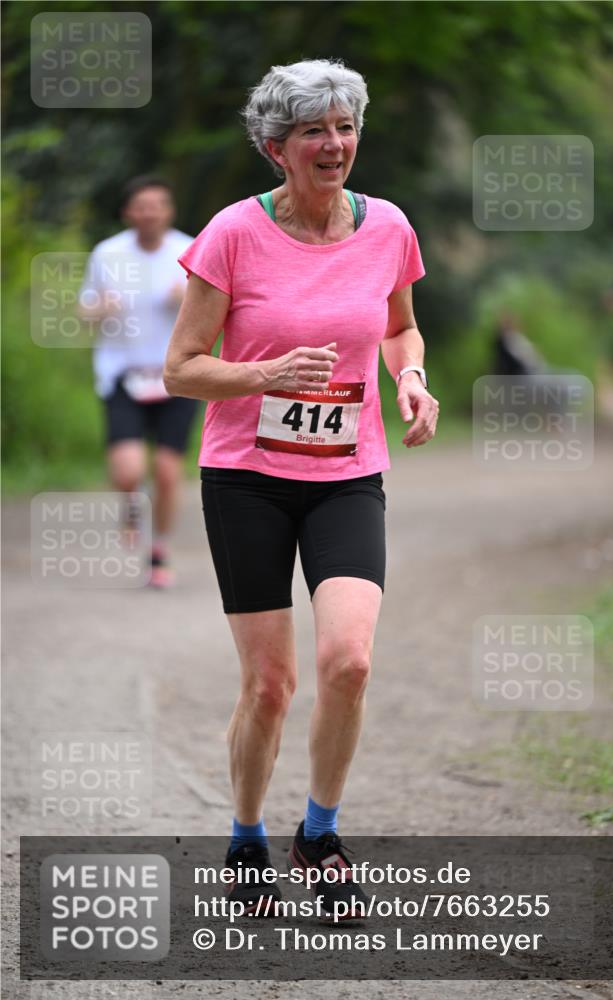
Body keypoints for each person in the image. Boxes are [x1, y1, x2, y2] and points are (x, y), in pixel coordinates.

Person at [164, 59, 439, 918]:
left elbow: (398, 326)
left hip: (346, 474)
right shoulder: (231, 236)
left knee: (349, 661)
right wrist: (266, 374)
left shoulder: (387, 226)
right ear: (276, 148)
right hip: (245, 475)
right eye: (314, 131)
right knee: (271, 685)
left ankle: (319, 835)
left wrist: (412, 378)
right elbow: (181, 371)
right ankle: (246, 835)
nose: (335, 144)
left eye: (345, 126)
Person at [79, 176, 198, 586]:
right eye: (141, 206)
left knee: (166, 472)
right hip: (122, 374)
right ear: (128, 212)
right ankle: (131, 504)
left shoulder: (189, 250)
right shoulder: (107, 254)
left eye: (158, 205)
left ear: (169, 211)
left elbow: (221, 310)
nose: (150, 213)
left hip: (177, 376)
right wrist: (100, 308)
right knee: (129, 470)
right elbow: (83, 311)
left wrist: (190, 302)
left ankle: (158, 552)